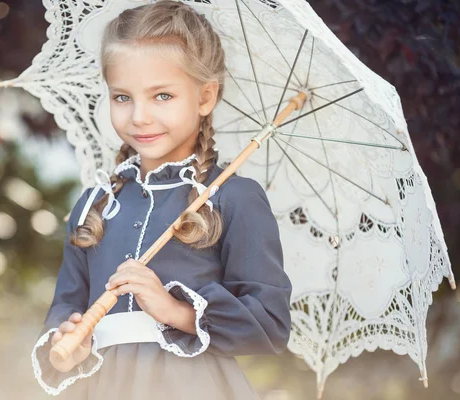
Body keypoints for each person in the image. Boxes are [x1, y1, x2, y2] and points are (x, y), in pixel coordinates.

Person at [31, 1, 292, 398]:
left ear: (205, 97)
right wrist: (66, 346)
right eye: (122, 97)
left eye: (162, 96)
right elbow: (65, 307)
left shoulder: (233, 198)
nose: (139, 116)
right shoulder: (94, 205)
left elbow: (269, 326)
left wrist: (173, 311)